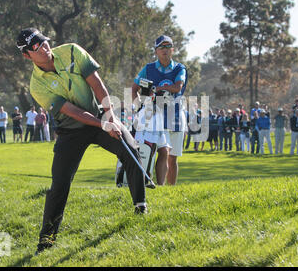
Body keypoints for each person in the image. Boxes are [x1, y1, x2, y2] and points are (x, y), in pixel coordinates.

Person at [17, 27, 149, 255]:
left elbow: (97, 85)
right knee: (59, 184)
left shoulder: (71, 51)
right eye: (37, 47)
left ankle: (140, 206)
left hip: (98, 114)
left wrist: (111, 117)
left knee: (130, 148)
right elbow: (70, 110)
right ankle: (46, 241)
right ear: (27, 55)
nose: (45, 48)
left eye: (44, 42)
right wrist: (103, 126)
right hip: (70, 131)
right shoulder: (36, 85)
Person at [132, 35, 187, 186]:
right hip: (155, 117)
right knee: (158, 151)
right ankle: (158, 185)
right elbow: (134, 88)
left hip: (175, 116)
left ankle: (171, 189)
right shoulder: (148, 69)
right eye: (161, 47)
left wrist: (158, 89)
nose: (165, 50)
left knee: (173, 156)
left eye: (168, 47)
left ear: (173, 50)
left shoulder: (179, 68)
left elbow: (177, 87)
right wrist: (138, 107)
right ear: (156, 51)